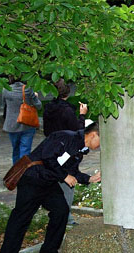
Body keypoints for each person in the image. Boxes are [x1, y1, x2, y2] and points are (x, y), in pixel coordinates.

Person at [0, 123, 102, 253]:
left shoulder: (80, 150)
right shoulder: (64, 137)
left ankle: (48, 250)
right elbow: (47, 158)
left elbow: (72, 171)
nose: (99, 146)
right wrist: (65, 176)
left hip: (48, 182)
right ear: (93, 135)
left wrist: (89, 178)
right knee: (21, 218)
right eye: (100, 141)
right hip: (33, 179)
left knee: (61, 211)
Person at [43, 79, 88, 226]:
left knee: (57, 182)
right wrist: (82, 115)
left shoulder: (48, 107)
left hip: (51, 148)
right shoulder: (67, 110)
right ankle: (64, 218)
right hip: (66, 151)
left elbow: (46, 130)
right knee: (68, 184)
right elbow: (77, 131)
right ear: (68, 92)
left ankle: (59, 215)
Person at [2, 77, 42, 164]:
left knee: (15, 149)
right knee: (25, 150)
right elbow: (38, 105)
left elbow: (4, 104)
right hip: (27, 124)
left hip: (11, 124)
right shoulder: (28, 89)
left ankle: (15, 172)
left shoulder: (6, 90)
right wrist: (35, 97)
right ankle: (23, 172)